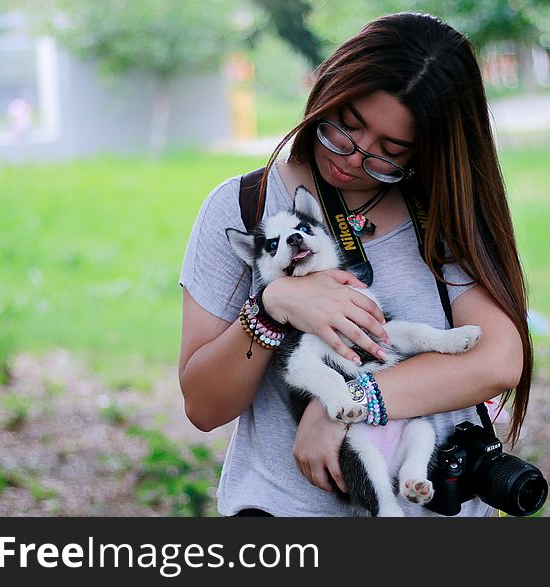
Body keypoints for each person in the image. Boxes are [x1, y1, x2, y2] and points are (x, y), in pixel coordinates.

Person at [179, 12, 531, 517]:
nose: (352, 159)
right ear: (330, 89)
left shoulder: (443, 214)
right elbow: (204, 406)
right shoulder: (246, 207)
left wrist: (345, 404)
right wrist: (272, 305)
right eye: (345, 127)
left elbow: (497, 360)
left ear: (428, 152)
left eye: (390, 152)